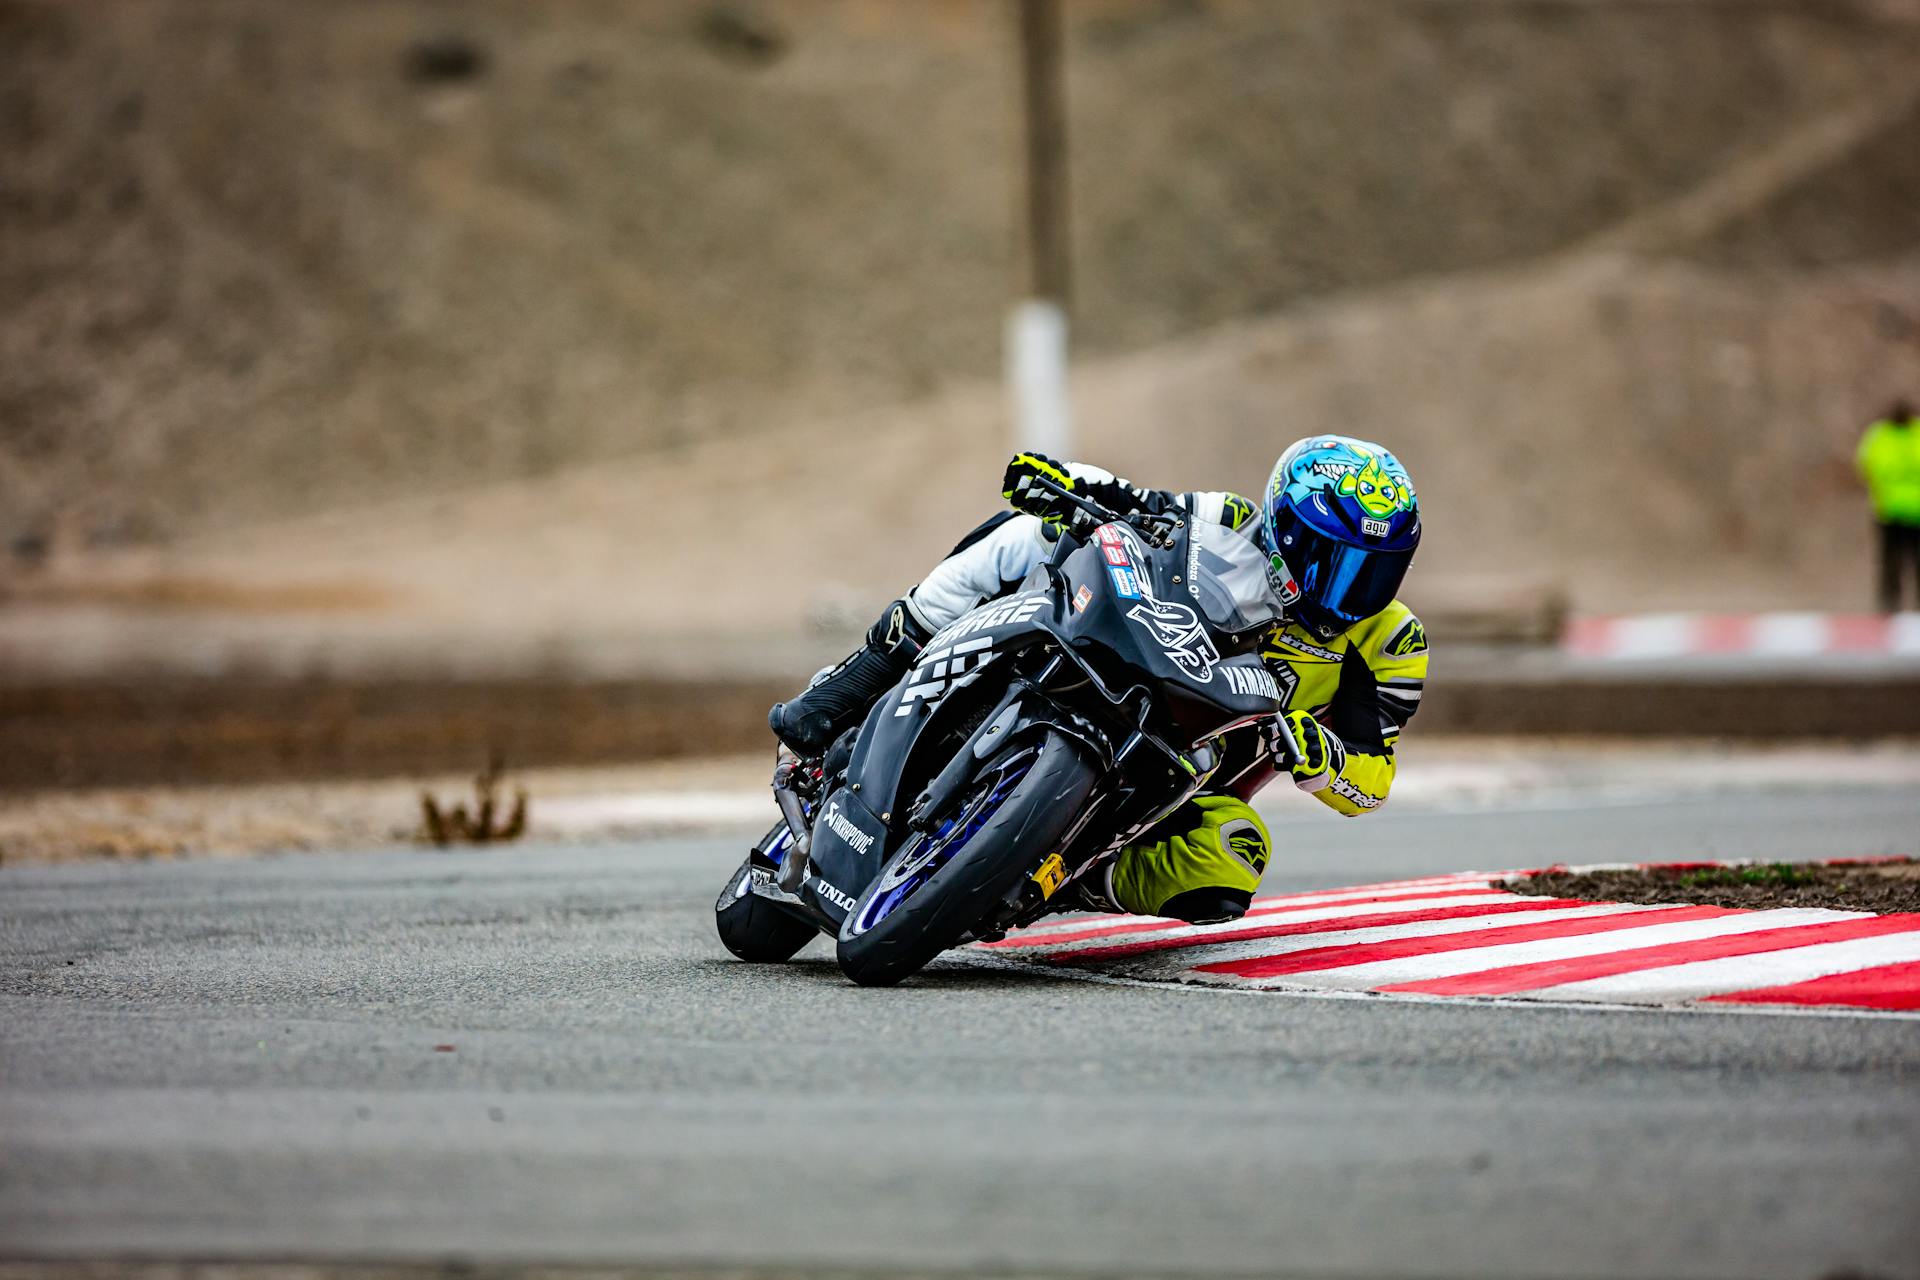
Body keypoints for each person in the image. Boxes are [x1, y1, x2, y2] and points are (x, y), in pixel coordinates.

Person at [768, 437, 1428, 925]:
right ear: (1284, 529)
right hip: (1124, 663)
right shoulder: (1231, 522)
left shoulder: (1391, 644)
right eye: (1331, 563)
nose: (1347, 592)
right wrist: (1062, 480)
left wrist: (1327, 760)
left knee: (1234, 856)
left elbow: (1371, 781)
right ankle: (868, 672)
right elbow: (1136, 506)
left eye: (1374, 572)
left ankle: (1059, 877)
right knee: (1027, 535)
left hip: (1184, 774)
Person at [1858, 400, 1920, 613]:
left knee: (1892, 563)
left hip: (1892, 509)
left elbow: (1864, 464)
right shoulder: (1887, 436)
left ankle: (1890, 606)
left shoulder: (1879, 436)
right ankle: (1891, 606)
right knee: (1894, 563)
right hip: (1896, 511)